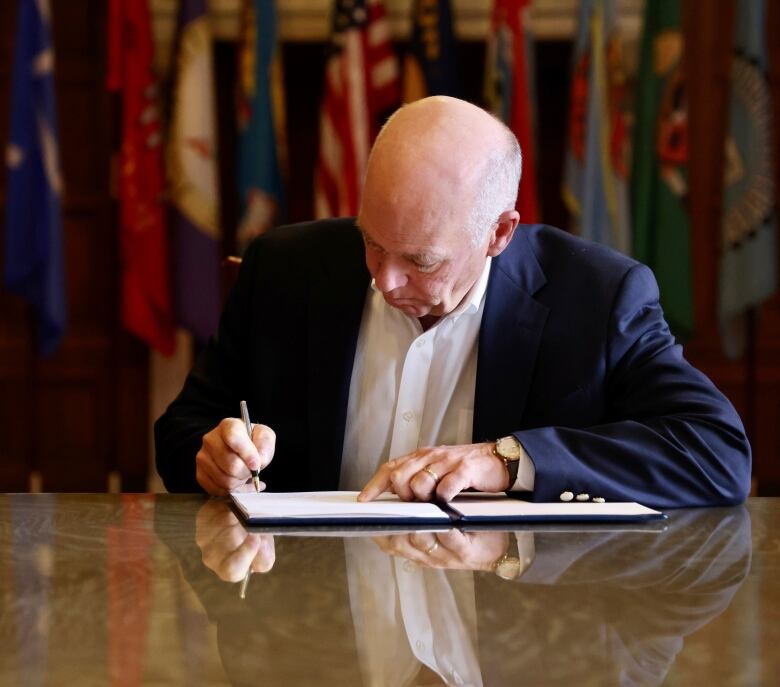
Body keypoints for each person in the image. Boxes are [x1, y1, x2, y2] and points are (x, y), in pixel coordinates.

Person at [155, 96, 751, 508]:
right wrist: (212, 458)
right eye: (371, 241)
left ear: (499, 233)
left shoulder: (596, 299)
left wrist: (509, 462)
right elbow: (184, 429)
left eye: (420, 260)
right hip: (317, 624)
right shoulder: (284, 269)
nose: (385, 282)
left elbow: (717, 453)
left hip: (503, 638)